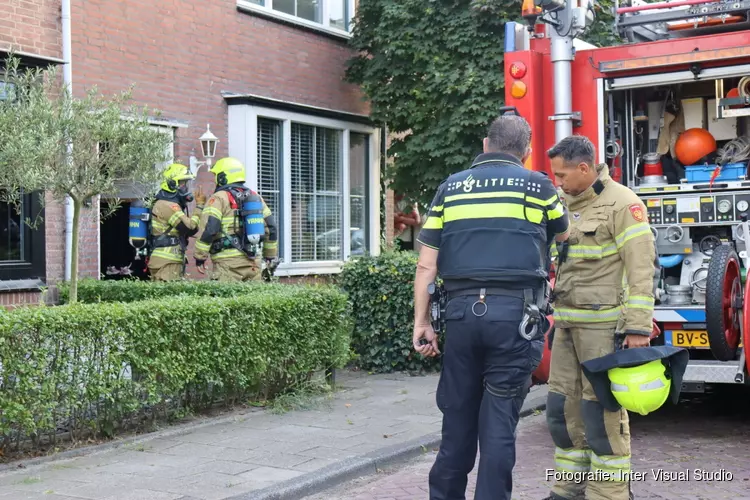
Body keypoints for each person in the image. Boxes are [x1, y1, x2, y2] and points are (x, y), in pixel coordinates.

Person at [413, 114, 570, 500]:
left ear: (486, 144)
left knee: (457, 420)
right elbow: (565, 237)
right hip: (516, 319)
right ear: (528, 151)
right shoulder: (539, 186)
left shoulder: (450, 188)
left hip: (461, 315)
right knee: (499, 424)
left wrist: (421, 322)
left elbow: (426, 263)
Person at [543, 135, 656, 500]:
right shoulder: (561, 205)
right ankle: (568, 489)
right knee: (561, 408)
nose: (557, 182)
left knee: (599, 413)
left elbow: (641, 270)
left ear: (584, 168)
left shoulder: (623, 205)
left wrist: (637, 327)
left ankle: (608, 494)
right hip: (566, 326)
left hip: (604, 330)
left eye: (562, 175)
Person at [194, 156, 278, 281]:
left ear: (223, 177)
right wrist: (269, 256)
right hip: (253, 263)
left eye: (216, 176)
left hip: (228, 265)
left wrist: (200, 257)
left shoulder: (218, 198)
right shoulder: (255, 197)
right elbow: (271, 227)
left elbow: (209, 228)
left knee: (227, 300)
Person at [147, 162, 205, 281]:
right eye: (183, 184)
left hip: (169, 260)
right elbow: (190, 228)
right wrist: (199, 206)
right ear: (172, 185)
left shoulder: (167, 204)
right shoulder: (168, 205)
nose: (186, 188)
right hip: (166, 262)